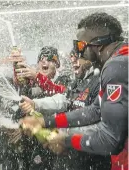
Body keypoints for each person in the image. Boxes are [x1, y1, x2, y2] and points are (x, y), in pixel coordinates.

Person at [20, 12, 128, 169]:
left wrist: (65, 140)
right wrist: (45, 121)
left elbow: (110, 140)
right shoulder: (119, 61)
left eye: (80, 46)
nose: (78, 53)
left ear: (98, 44)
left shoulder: (116, 66)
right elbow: (94, 111)